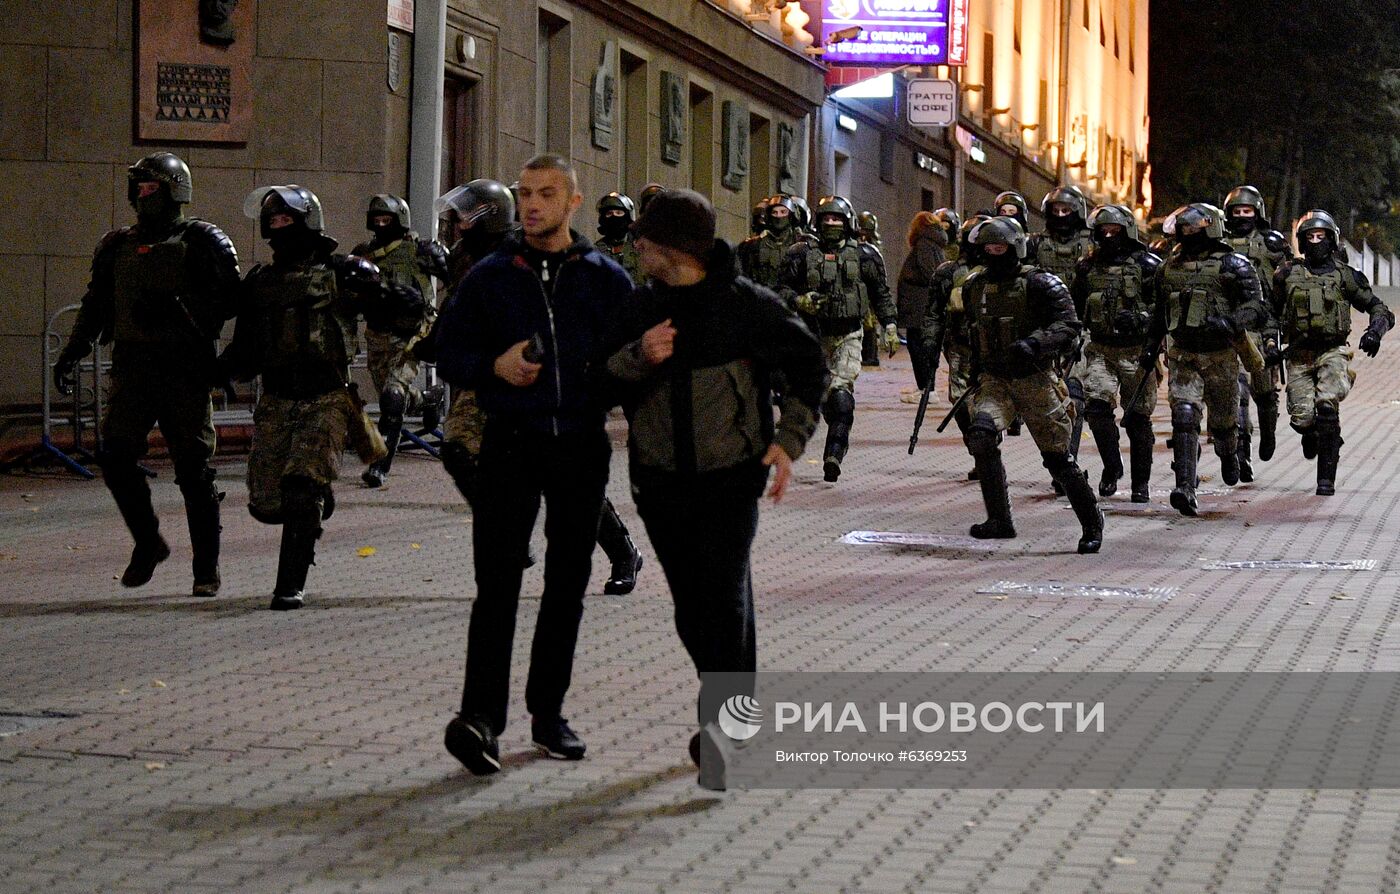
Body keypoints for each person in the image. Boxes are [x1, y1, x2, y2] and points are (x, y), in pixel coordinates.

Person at [607, 189, 825, 791]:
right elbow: (596, 379)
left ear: (672, 246)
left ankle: (722, 730)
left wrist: (790, 440)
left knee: (723, 598)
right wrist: (637, 357)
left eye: (645, 238)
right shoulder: (638, 307)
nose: (636, 245)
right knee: (693, 610)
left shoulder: (748, 307)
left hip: (731, 479)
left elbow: (812, 367)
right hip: (658, 481)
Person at [434, 154, 635, 774]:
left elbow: (628, 357)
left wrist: (601, 379)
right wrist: (491, 366)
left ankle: (548, 715)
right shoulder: (492, 275)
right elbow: (447, 352)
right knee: (496, 586)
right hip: (510, 443)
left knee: (567, 585)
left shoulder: (602, 276)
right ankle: (479, 722)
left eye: (546, 194)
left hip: (578, 444)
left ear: (573, 202)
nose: (531, 204)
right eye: (524, 194)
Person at [220, 185, 426, 610]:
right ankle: (315, 501)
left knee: (301, 486)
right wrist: (218, 372)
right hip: (276, 399)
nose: (280, 229)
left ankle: (289, 586)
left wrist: (402, 302)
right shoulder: (260, 282)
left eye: (287, 220)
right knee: (266, 503)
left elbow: (395, 313)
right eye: (273, 222)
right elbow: (243, 346)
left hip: (327, 397)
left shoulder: (343, 272)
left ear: (308, 222)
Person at [53, 152, 241, 598]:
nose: (142, 196)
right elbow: (98, 301)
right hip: (133, 365)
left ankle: (206, 568)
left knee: (193, 469)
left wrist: (184, 308)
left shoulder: (203, 240)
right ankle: (147, 542)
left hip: (183, 366)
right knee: (115, 457)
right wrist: (74, 350)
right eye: (138, 187)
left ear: (175, 191)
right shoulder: (117, 245)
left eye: (151, 188)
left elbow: (231, 301)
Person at [959, 217, 1103, 553]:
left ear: (1016, 247)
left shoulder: (1041, 283)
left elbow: (1069, 325)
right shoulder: (974, 286)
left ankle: (1092, 522)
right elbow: (969, 329)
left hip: (1035, 379)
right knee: (980, 435)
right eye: (988, 248)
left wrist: (1035, 343)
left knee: (1058, 459)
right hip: (995, 380)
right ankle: (999, 520)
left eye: (1001, 247)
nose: (994, 253)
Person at [1144, 203, 1268, 517]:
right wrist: (1149, 347)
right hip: (1184, 355)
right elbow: (1160, 313)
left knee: (1224, 424)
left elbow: (1256, 305)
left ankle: (1230, 455)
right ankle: (1185, 487)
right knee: (1184, 415)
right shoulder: (1168, 267)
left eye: (1193, 231)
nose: (1187, 237)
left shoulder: (1234, 265)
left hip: (1221, 356)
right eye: (1183, 232)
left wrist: (1232, 321)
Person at [1271, 210, 1392, 495]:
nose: (1316, 242)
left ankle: (1326, 481)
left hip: (1333, 351)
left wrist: (1375, 332)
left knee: (1327, 408)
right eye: (1310, 237)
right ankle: (1320, 435)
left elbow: (1379, 308)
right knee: (1302, 420)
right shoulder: (1287, 274)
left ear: (1332, 240)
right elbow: (1270, 314)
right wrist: (1269, 344)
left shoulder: (1344, 275)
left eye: (1321, 237)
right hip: (1298, 355)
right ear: (1301, 241)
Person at [780, 195, 899, 483]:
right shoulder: (800, 254)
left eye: (837, 219)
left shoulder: (865, 255)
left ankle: (834, 453)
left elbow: (880, 292)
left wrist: (890, 324)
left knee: (842, 395)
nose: (831, 224)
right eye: (826, 219)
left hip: (848, 333)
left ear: (848, 223)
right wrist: (799, 300)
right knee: (818, 395)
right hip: (812, 336)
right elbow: (780, 289)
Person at [426, 179, 518, 507]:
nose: (461, 225)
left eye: (468, 217)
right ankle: (504, 531)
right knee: (458, 450)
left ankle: (622, 548)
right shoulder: (465, 255)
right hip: (482, 374)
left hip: (525, 375)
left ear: (489, 216)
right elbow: (455, 307)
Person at [352, 194, 448, 488]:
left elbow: (454, 276)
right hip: (378, 335)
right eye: (377, 220)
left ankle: (380, 467)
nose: (381, 225)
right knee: (391, 396)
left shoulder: (419, 250)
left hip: (412, 334)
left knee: (392, 399)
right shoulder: (364, 253)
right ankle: (429, 400)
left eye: (387, 220)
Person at [1070, 204, 1163, 502]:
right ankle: (1112, 467)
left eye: (1115, 231)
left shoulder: (1148, 265)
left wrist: (1142, 319)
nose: (1109, 236)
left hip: (1137, 351)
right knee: (1096, 409)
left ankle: (1140, 483)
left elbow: (1164, 307)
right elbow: (1074, 306)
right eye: (1104, 231)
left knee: (1138, 419)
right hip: (1100, 349)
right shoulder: (1087, 267)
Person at [1223, 185, 1290, 479]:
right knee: (1238, 393)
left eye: (1247, 211)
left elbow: (1288, 285)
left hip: (1264, 327)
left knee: (1264, 390)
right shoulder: (1220, 244)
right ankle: (1242, 454)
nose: (1241, 216)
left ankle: (1269, 431)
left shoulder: (1272, 245)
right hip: (1232, 328)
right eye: (1236, 212)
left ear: (1258, 213)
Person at [921, 215, 988, 481]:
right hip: (960, 347)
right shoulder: (948, 272)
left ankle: (988, 452)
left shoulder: (1007, 272)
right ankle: (980, 454)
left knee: (989, 402)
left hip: (995, 349)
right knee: (960, 401)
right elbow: (933, 312)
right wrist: (929, 342)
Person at [897, 210, 953, 395]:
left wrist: (910, 277)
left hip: (919, 306)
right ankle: (927, 389)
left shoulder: (923, 245)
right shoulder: (935, 244)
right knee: (923, 347)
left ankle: (926, 390)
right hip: (925, 305)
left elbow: (930, 273)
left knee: (918, 347)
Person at [737, 195, 802, 290]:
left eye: (783, 212)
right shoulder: (752, 245)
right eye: (774, 212)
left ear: (791, 215)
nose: (779, 216)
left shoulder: (801, 244)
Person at [856, 210, 888, 367]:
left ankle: (870, 355)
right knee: (868, 322)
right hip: (866, 287)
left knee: (869, 323)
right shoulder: (872, 244)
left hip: (868, 288)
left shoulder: (872, 247)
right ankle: (869, 354)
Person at [595, 192, 642, 284]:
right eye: (609, 213)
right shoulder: (597, 251)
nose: (614, 217)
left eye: (619, 213)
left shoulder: (641, 246)